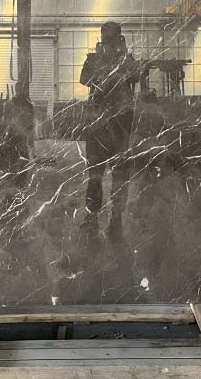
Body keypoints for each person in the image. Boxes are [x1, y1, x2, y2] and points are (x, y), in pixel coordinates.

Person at [79, 21, 139, 241]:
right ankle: (98, 218)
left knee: (114, 176)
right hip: (103, 126)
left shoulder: (124, 59)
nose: (110, 42)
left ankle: (113, 219)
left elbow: (136, 76)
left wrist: (122, 58)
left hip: (114, 126)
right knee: (98, 176)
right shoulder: (94, 59)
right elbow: (84, 78)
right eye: (109, 38)